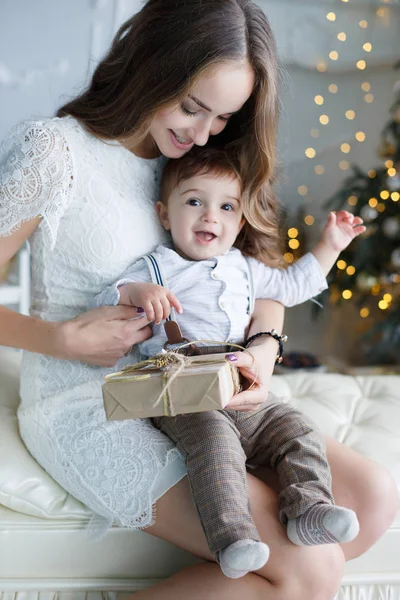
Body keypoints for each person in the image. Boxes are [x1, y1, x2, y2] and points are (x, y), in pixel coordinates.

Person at [0, 1, 396, 598]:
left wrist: (262, 353)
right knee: (312, 568)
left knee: (371, 497)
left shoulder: (208, 161)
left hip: (202, 385)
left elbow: (262, 282)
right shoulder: (57, 151)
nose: (201, 133)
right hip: (95, 400)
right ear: (151, 66)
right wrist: (57, 338)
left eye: (222, 117)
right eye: (191, 106)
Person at [91, 146, 363, 579]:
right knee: (216, 446)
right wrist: (137, 294)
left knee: (297, 428)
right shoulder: (159, 267)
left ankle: (308, 508)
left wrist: (330, 246)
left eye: (226, 207)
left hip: (241, 385)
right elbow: (108, 294)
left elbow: (293, 286)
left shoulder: (245, 268)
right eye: (194, 201)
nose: (209, 217)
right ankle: (233, 538)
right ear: (165, 213)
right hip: (185, 390)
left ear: (239, 221)